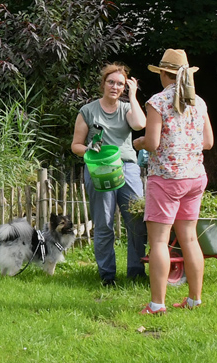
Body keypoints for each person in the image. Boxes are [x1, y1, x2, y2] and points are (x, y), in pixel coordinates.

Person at [132, 49, 214, 314]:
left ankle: (157, 304)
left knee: (158, 242)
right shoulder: (198, 102)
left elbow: (153, 143)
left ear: (163, 74)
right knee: (189, 239)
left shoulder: (158, 102)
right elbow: (208, 143)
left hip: (166, 178)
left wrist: (139, 142)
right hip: (195, 177)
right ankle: (194, 300)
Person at [70, 62, 149, 286]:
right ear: (103, 83)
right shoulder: (88, 111)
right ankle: (107, 275)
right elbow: (75, 145)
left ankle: (136, 272)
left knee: (136, 222)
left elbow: (140, 123)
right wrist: (89, 149)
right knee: (104, 223)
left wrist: (133, 95)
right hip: (99, 170)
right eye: (111, 82)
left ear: (124, 88)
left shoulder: (126, 109)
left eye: (120, 84)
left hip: (127, 168)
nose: (115, 87)